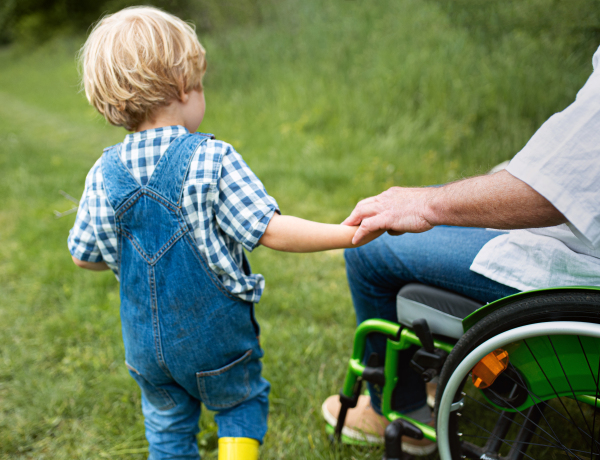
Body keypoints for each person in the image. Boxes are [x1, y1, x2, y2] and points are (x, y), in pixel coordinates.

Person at [68, 7, 382, 460]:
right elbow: (270, 230)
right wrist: (345, 234)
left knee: (168, 427)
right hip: (215, 342)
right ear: (183, 88)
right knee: (238, 404)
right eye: (200, 85)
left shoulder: (102, 173)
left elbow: (83, 255)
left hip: (145, 349)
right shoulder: (211, 158)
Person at [321, 44, 600, 456]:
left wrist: (426, 205)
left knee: (370, 247)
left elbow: (553, 192)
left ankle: (397, 410)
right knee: (446, 196)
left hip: (572, 272)